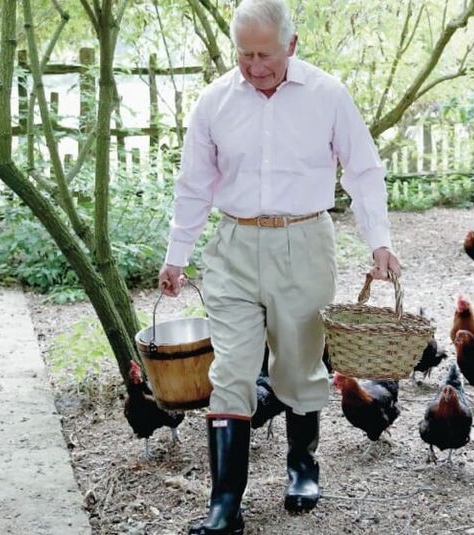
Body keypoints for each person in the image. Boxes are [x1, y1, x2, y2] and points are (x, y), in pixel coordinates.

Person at [156, 1, 401, 533]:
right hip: (234, 246)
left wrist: (378, 241)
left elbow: (363, 170)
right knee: (231, 373)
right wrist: (177, 255)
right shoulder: (214, 102)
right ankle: (224, 505)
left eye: (265, 53)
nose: (255, 65)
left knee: (297, 367)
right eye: (244, 54)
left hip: (305, 242)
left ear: (291, 45)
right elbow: (194, 184)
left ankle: (302, 464)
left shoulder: (328, 95)